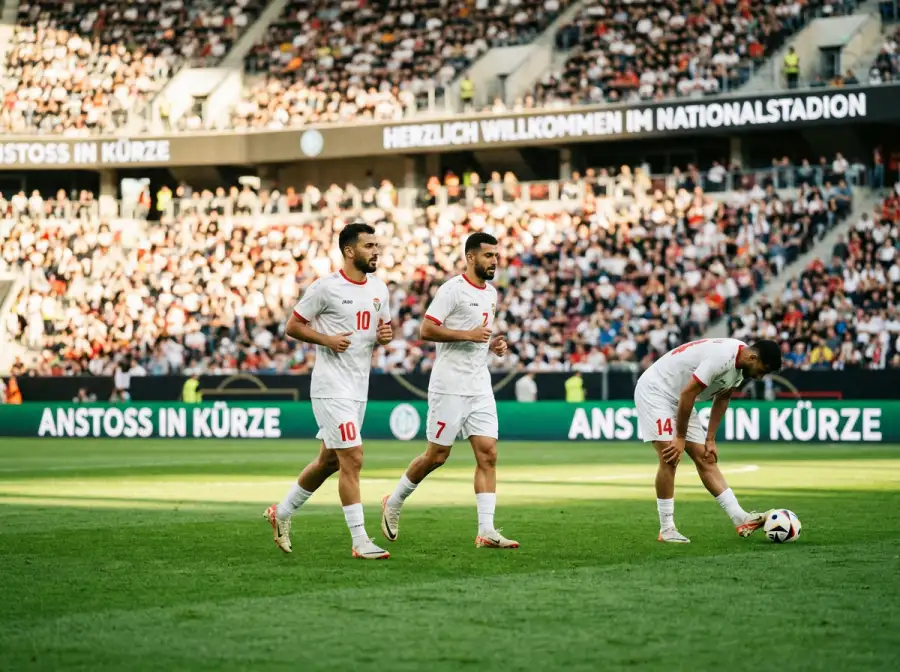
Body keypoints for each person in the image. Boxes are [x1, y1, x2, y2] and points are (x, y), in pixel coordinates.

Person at [381, 233, 519, 549]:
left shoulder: (492, 294)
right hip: (449, 385)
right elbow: (426, 329)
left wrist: (493, 344)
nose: (494, 261)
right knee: (437, 456)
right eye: (488, 256)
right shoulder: (452, 290)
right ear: (471, 258)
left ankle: (486, 531)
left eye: (496, 255)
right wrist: (467, 334)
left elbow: (479, 337)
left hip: (479, 384)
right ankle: (394, 501)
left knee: (489, 453)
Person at [264, 222, 393, 560]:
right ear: (349, 251)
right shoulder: (326, 288)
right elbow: (293, 325)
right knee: (353, 456)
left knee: (328, 461)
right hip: (330, 386)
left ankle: (283, 512)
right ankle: (360, 540)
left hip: (358, 387)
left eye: (376, 245)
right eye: (368, 246)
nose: (375, 251)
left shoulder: (380, 289)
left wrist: (383, 337)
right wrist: (326, 339)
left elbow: (381, 330)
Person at [633, 338, 782, 543]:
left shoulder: (740, 365)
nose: (759, 377)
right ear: (753, 357)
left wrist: (710, 439)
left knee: (706, 458)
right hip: (656, 391)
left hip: (680, 397)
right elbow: (688, 393)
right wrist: (679, 438)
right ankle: (667, 529)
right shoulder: (722, 356)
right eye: (762, 370)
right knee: (670, 456)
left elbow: (723, 397)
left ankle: (740, 518)